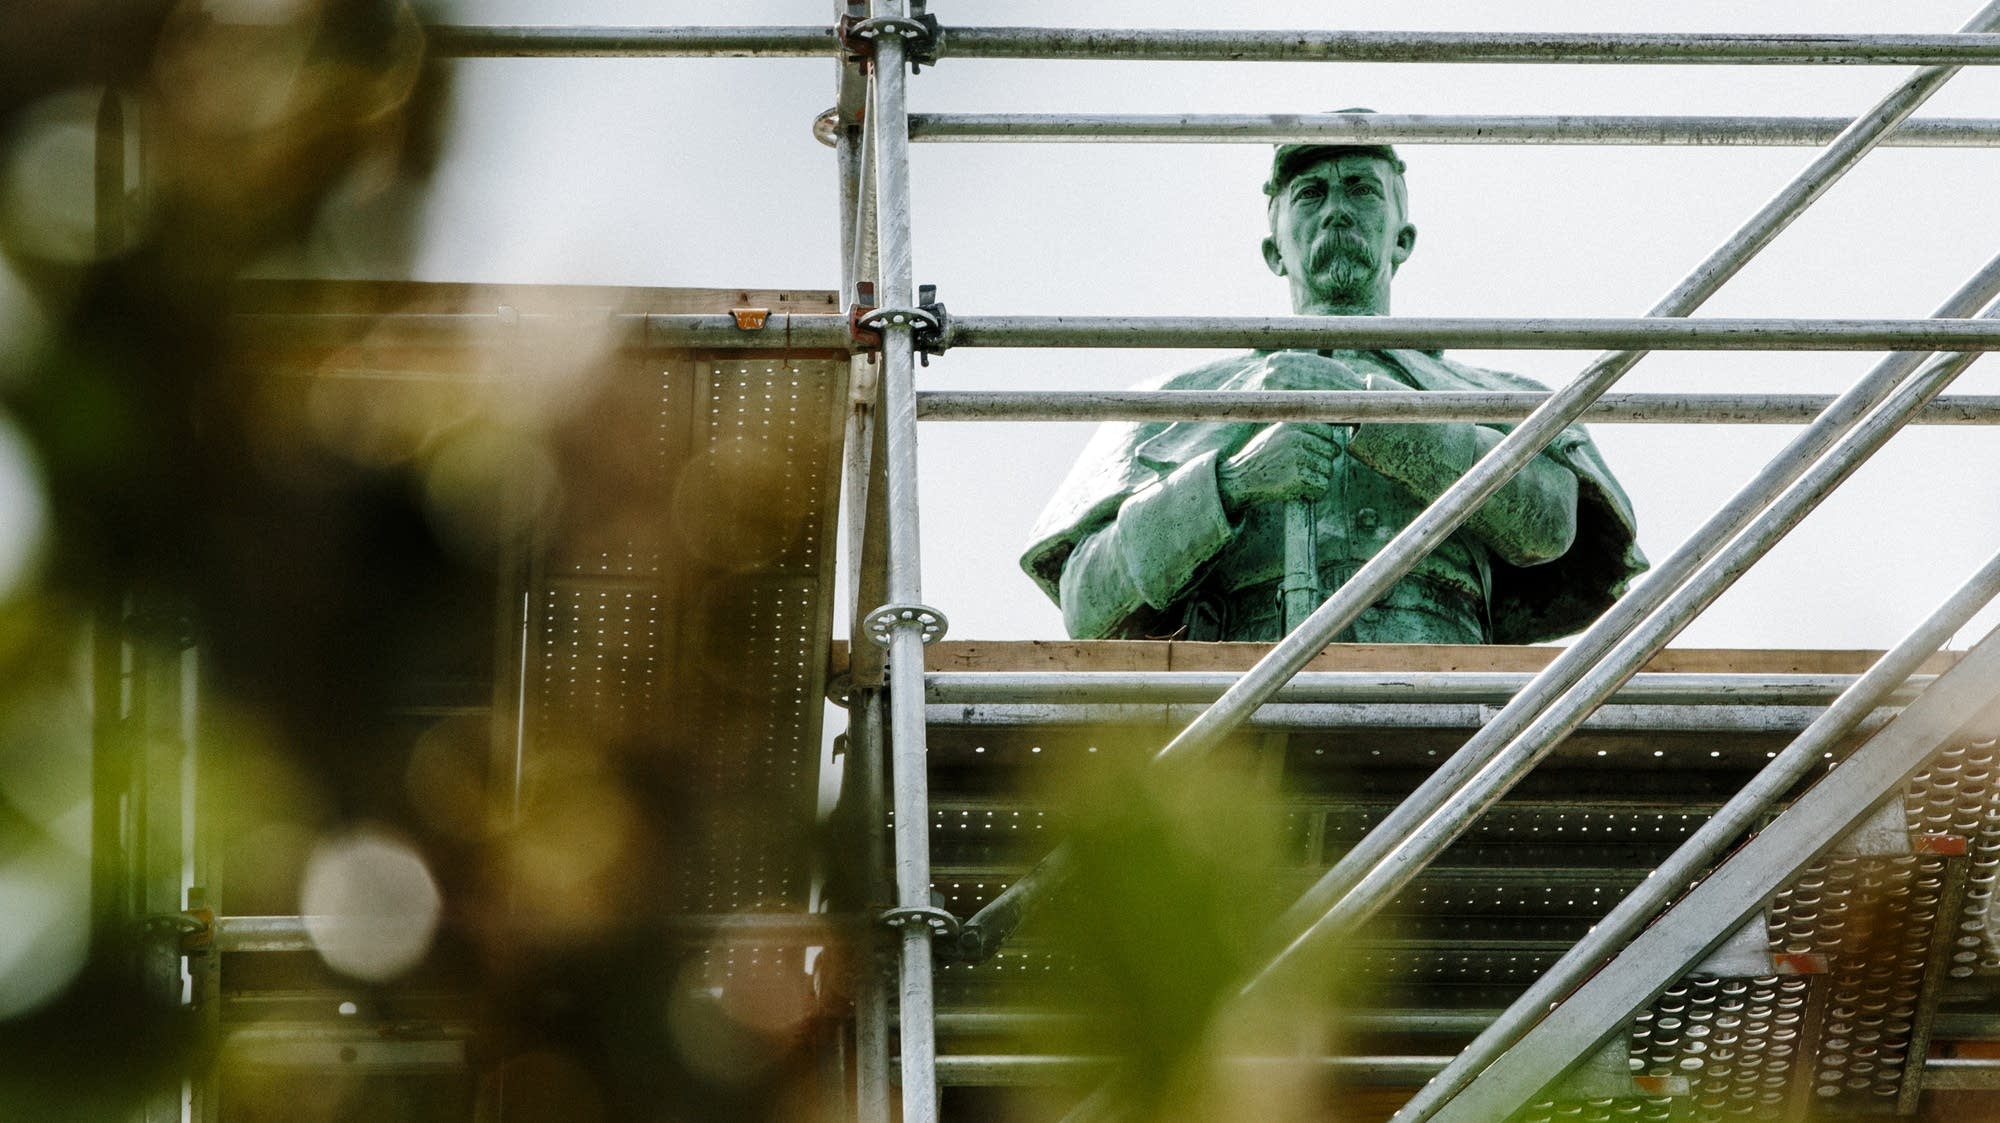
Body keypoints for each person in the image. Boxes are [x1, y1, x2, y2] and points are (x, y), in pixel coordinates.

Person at [1021, 129, 1648, 644]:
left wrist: (1365, 412)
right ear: (1274, 250)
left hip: (1447, 699)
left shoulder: (1492, 391)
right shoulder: (1176, 403)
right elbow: (1087, 602)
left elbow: (1546, 525)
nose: (1337, 209)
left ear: (1403, 239)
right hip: (1240, 704)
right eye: (1311, 194)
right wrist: (1233, 484)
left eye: (1361, 190)